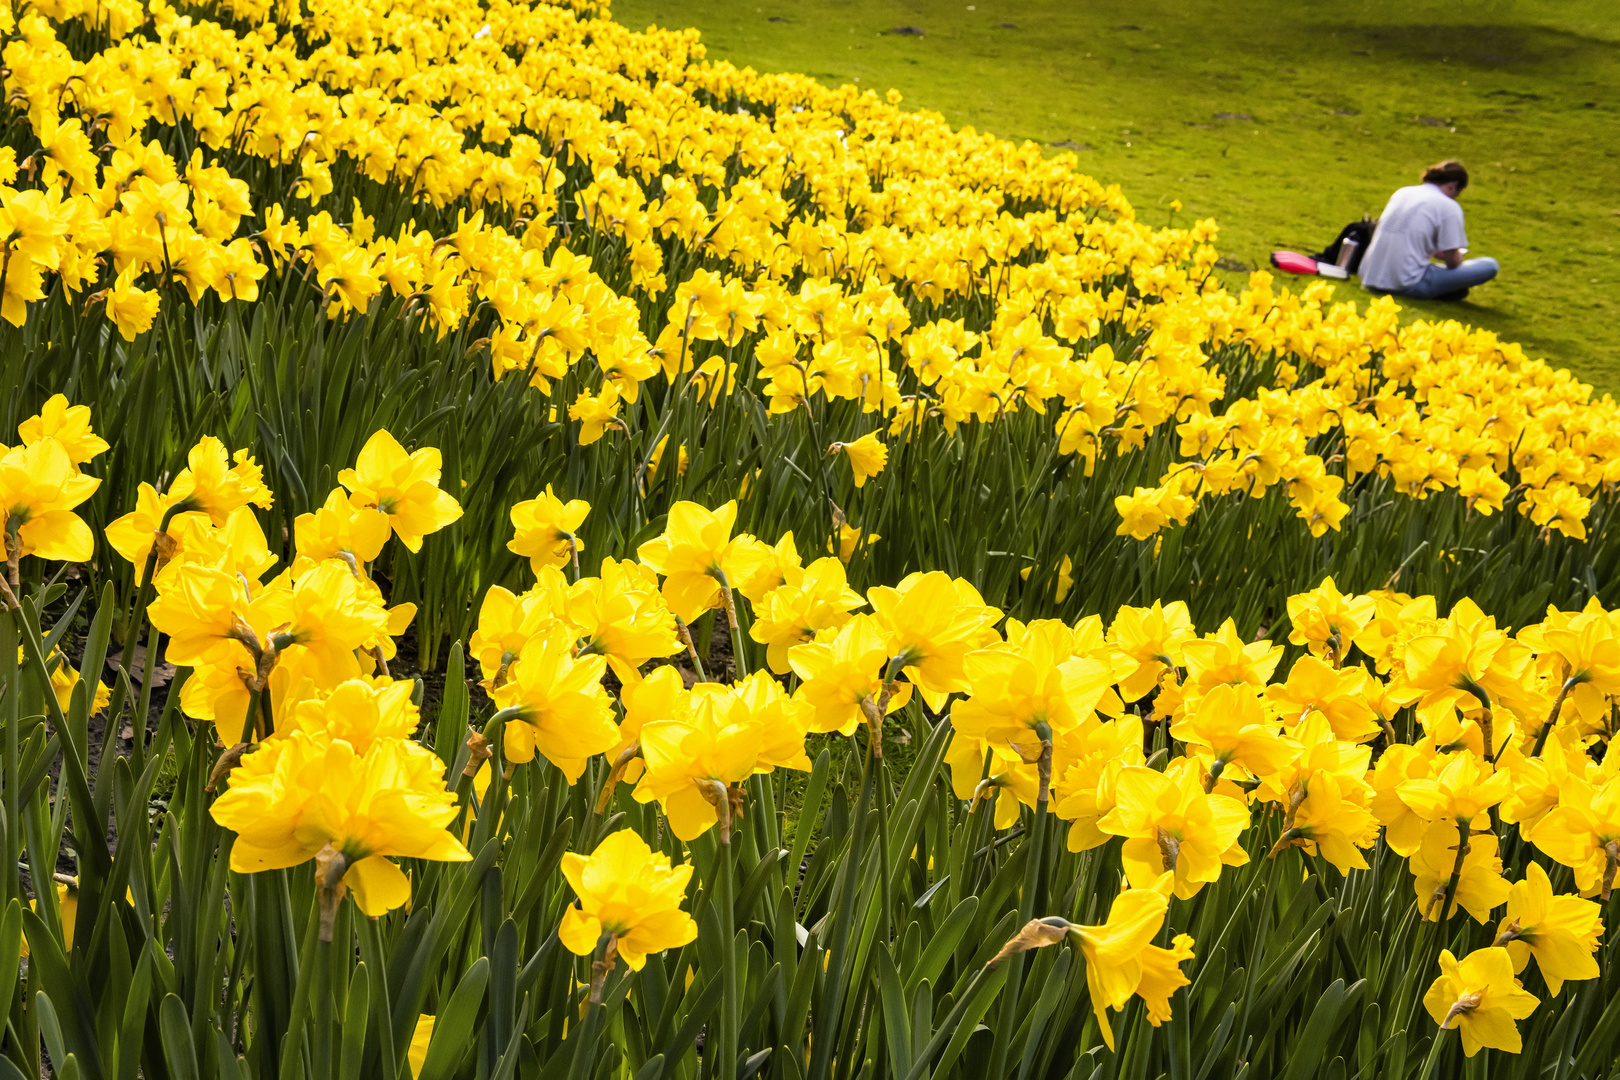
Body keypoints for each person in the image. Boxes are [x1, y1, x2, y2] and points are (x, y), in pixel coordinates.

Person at [1358, 160, 1499, 301]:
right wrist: (1454, 254)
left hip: (1369, 277)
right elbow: (1453, 262)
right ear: (1454, 185)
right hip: (1405, 283)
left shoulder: (1402, 193)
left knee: (1435, 270)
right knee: (1490, 265)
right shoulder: (1449, 206)